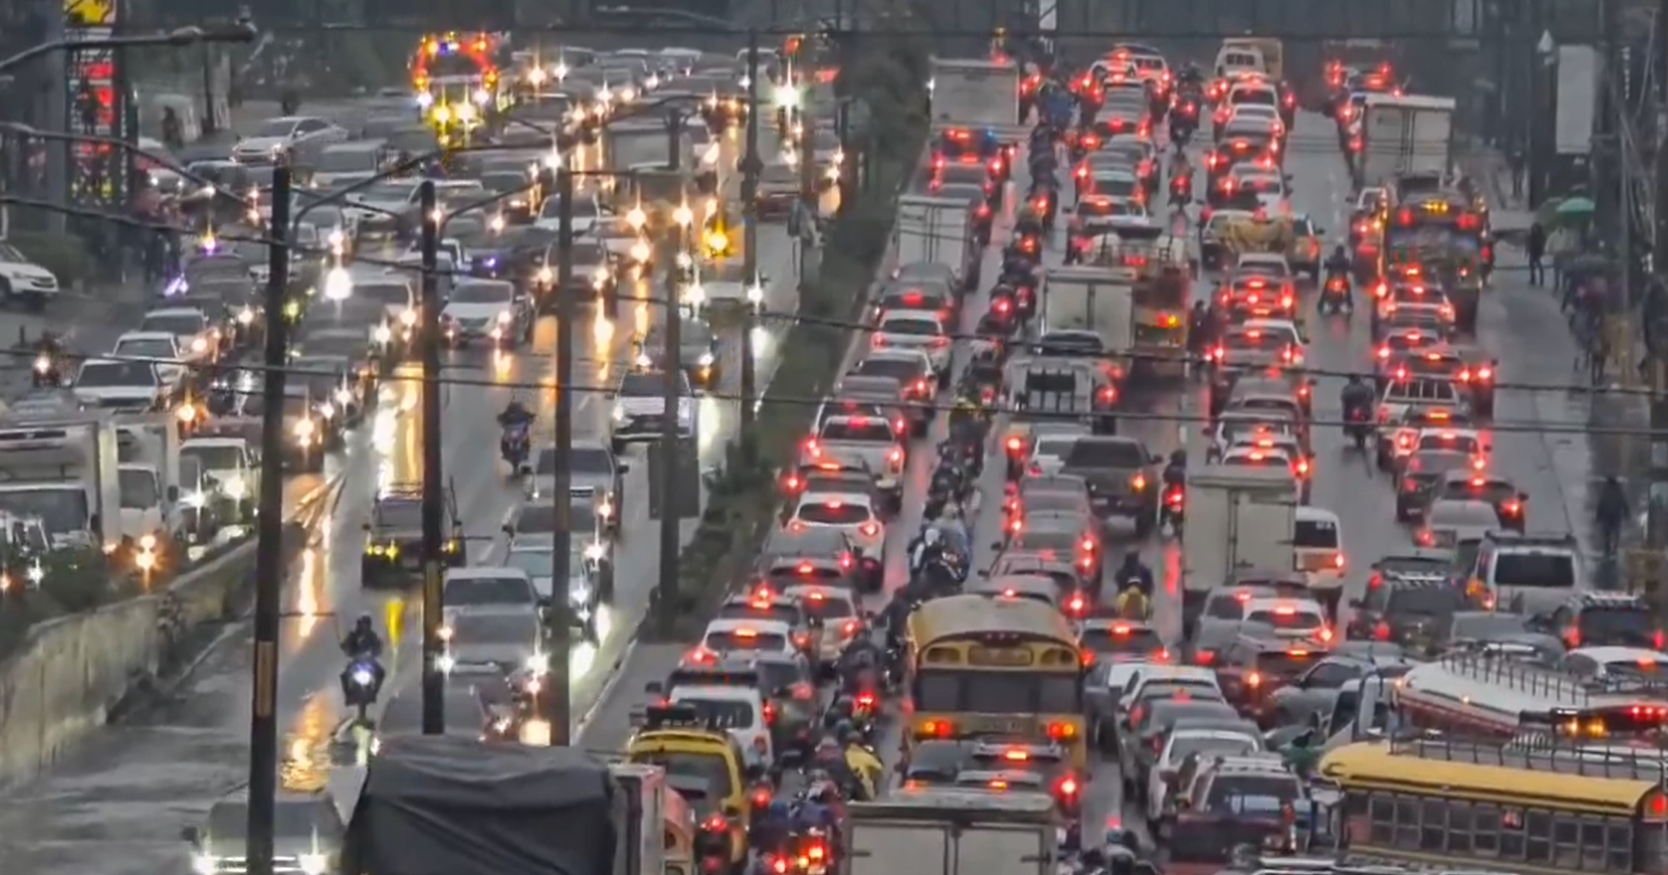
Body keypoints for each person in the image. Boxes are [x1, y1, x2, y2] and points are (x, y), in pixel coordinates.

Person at [840, 727, 882, 800]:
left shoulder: (842, 755)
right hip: (864, 794)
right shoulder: (867, 757)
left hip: (845, 794)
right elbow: (879, 769)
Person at [1597, 475, 1629, 558]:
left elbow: (1601, 503)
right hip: (1616, 514)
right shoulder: (1618, 490)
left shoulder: (1605, 490)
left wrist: (1598, 516)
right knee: (1616, 532)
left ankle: (1607, 547)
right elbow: (1623, 501)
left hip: (1607, 515)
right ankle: (1614, 548)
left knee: (1607, 532)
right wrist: (1626, 513)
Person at [1527, 221, 1547, 286]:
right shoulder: (1532, 235)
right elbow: (1529, 243)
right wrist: (1527, 251)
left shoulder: (1541, 235)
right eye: (1534, 228)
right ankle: (1533, 279)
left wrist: (1541, 251)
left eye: (1536, 228)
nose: (1534, 229)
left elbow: (1542, 243)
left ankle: (1541, 280)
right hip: (1533, 251)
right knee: (1532, 266)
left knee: (1539, 266)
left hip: (1537, 252)